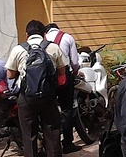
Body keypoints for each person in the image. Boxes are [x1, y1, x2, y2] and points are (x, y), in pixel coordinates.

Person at [6, 20, 67, 157]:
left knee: (28, 134)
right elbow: (62, 72)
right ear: (44, 34)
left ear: (26, 34)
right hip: (48, 96)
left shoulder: (18, 49)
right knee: (52, 131)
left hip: (26, 98)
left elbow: (10, 75)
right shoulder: (53, 47)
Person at [44, 23, 81, 154]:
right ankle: (67, 143)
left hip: (46, 80)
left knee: (49, 112)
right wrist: (75, 72)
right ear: (57, 28)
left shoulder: (44, 39)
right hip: (64, 77)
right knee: (67, 110)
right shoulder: (67, 37)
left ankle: (51, 146)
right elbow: (75, 62)